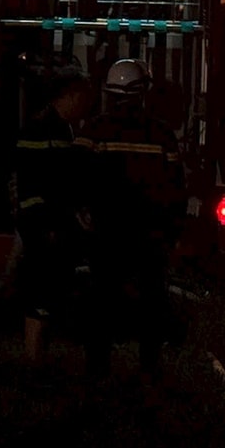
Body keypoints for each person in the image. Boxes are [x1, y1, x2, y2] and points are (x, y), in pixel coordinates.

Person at [77, 59, 187, 385]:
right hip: (149, 235)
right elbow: (175, 189)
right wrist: (174, 231)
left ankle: (97, 373)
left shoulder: (93, 131)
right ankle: (148, 372)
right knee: (151, 304)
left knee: (102, 302)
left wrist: (84, 214)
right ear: (143, 92)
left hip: (108, 233)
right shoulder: (162, 134)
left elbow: (77, 178)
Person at [13, 64, 95, 365]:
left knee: (49, 290)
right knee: (41, 291)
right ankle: (32, 359)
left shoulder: (59, 127)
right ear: (71, 96)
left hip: (51, 223)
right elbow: (39, 183)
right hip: (42, 225)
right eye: (85, 98)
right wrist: (49, 224)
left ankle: (39, 357)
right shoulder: (43, 129)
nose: (87, 105)